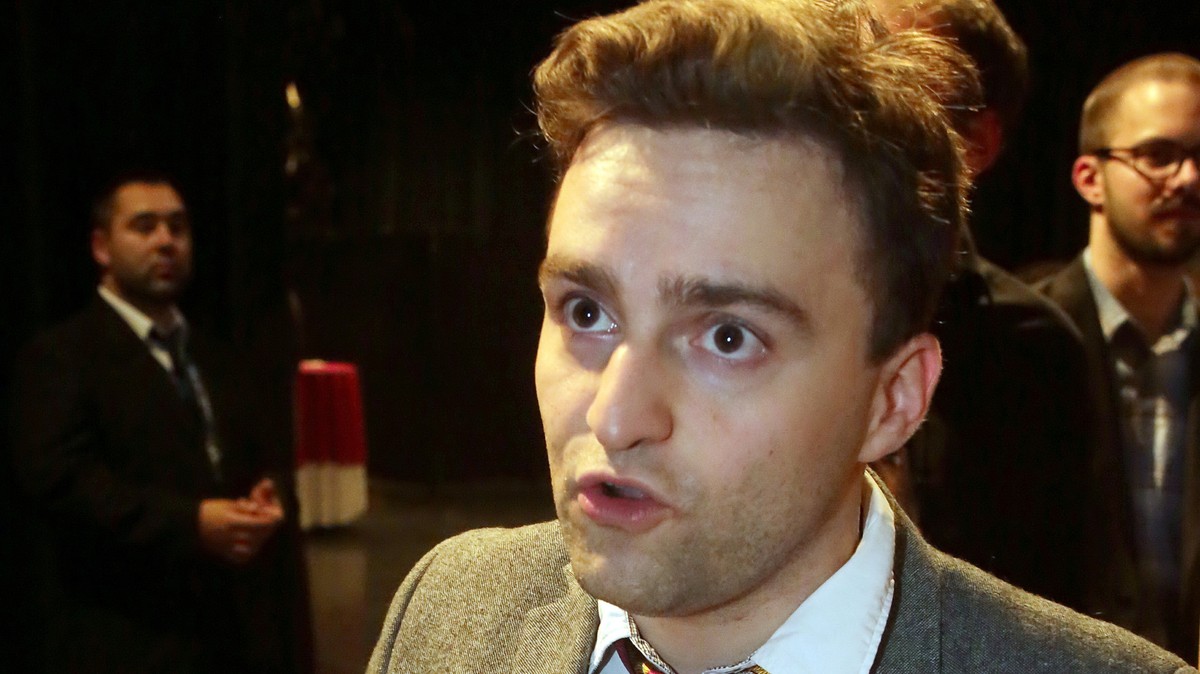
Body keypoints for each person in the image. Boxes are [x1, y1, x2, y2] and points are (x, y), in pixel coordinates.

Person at [368, 1, 1190, 672]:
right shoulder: (448, 612)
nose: (615, 417)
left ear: (893, 402)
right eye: (587, 312)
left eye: (727, 337)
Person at [10, 173, 310, 673]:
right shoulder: (63, 356)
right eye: (144, 226)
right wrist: (192, 524)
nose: (166, 241)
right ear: (101, 247)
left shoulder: (217, 356)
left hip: (230, 635)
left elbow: (261, 456)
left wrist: (268, 495)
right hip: (125, 637)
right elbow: (62, 483)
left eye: (178, 227)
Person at [868, 0, 1093, 608]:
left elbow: (1045, 606)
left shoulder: (1031, 346)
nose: (855, 103)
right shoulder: (763, 291)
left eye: (900, 72)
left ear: (976, 143)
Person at [1037, 53, 1200, 661]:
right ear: (1090, 178)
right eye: (1158, 154)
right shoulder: (1023, 342)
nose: (1187, 179)